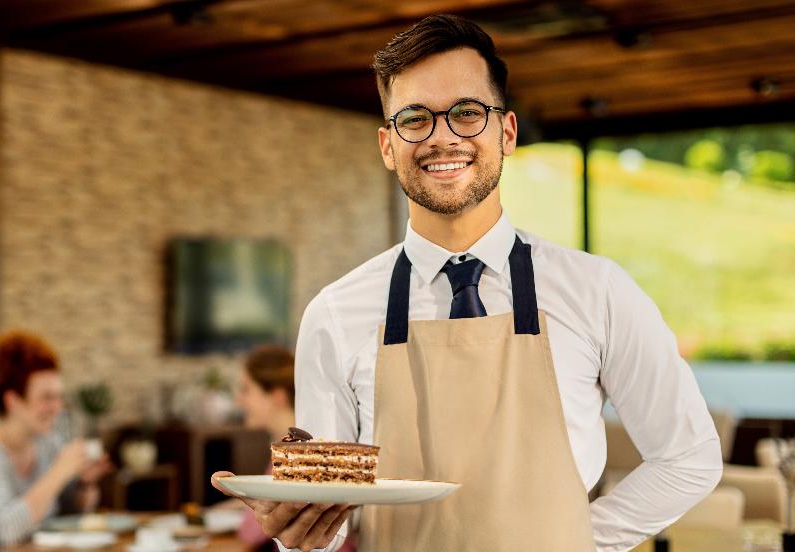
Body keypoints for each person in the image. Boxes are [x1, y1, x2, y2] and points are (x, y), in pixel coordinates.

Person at [212, 14, 723, 552]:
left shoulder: (598, 291)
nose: (442, 137)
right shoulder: (335, 313)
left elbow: (688, 456)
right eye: (415, 119)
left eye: (466, 113)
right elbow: (326, 517)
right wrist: (298, 532)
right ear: (388, 146)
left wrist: (579, 541)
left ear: (506, 132)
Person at [0, 331, 112, 552]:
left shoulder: (48, 444)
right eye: (47, 397)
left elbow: (68, 514)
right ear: (13, 401)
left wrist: (85, 482)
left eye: (58, 396)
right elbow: (8, 531)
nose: (57, 407)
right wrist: (60, 472)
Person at [230, 345, 359, 552]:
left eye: (247, 389)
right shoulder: (295, 441)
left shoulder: (296, 454)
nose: (239, 400)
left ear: (277, 395)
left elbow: (250, 533)